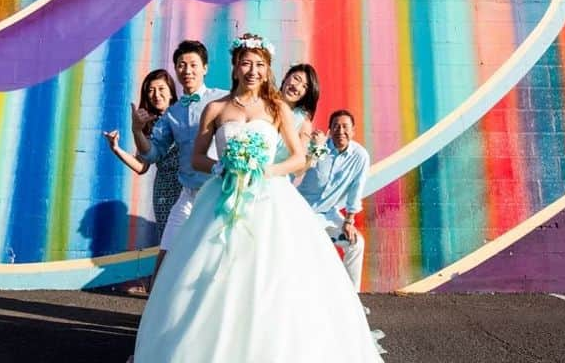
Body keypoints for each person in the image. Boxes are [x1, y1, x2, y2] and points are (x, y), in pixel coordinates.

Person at [132, 34, 382, 362]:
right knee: (211, 273)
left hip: (270, 200)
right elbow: (197, 159)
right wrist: (223, 165)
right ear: (235, 66)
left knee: (271, 274)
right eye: (247, 63)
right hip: (221, 199)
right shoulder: (216, 108)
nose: (253, 70)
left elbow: (295, 158)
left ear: (266, 70)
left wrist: (266, 171)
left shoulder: (276, 107)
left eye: (260, 65)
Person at [132, 40, 225, 275]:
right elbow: (152, 153)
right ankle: (156, 312)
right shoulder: (172, 114)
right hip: (188, 196)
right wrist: (136, 130)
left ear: (205, 68)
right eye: (181, 65)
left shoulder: (223, 100)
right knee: (165, 262)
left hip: (217, 195)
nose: (187, 71)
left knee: (213, 263)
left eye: (193, 64)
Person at [102, 69, 178, 288]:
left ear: (171, 92)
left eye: (161, 89)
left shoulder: (185, 114)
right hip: (165, 190)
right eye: (151, 90)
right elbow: (141, 166)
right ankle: (161, 294)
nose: (156, 94)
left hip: (191, 186)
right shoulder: (147, 124)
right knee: (169, 244)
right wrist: (116, 149)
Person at [297, 109, 370, 291]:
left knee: (355, 243)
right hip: (301, 211)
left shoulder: (360, 156)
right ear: (329, 130)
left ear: (353, 131)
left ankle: (352, 300)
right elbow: (297, 172)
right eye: (336, 126)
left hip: (329, 214)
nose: (341, 131)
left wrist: (349, 221)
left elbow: (356, 189)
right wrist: (314, 149)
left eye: (345, 127)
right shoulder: (318, 148)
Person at [272, 63, 320, 165]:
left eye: (304, 87)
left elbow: (298, 170)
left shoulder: (303, 122)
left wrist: (316, 148)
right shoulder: (263, 101)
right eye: (296, 79)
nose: (297, 87)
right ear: (286, 77)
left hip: (272, 177)